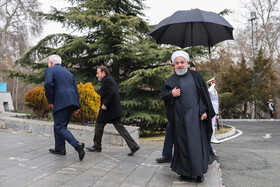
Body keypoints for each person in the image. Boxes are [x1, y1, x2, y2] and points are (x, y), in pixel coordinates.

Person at [160, 51, 215, 183]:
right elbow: (163, 95)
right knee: (182, 146)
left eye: (182, 62)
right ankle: (184, 172)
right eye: (177, 63)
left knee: (196, 146)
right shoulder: (171, 80)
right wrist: (171, 94)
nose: (180, 65)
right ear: (173, 65)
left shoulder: (196, 76)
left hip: (196, 119)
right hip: (179, 120)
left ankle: (199, 172)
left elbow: (203, 96)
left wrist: (204, 111)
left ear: (187, 63)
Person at [86, 65, 140, 156]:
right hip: (112, 110)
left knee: (99, 125)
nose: (96, 75)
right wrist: (102, 106)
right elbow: (108, 94)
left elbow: (112, 92)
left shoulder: (107, 80)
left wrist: (105, 105)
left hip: (109, 109)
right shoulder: (107, 79)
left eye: (98, 73)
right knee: (118, 127)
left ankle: (97, 146)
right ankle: (133, 146)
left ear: (103, 73)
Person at [44, 54, 85, 161]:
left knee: (59, 127)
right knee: (60, 125)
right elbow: (75, 88)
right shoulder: (68, 72)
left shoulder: (50, 69)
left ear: (51, 63)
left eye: (48, 62)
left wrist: (50, 100)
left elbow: (48, 84)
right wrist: (77, 105)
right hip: (71, 102)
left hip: (61, 101)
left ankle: (77, 145)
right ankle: (60, 149)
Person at [207, 78, 220, 144]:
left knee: (214, 123)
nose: (215, 84)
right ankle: (212, 136)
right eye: (213, 82)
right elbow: (208, 91)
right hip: (212, 108)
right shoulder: (211, 89)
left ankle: (213, 135)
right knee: (212, 123)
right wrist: (212, 85)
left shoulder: (214, 90)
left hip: (215, 108)